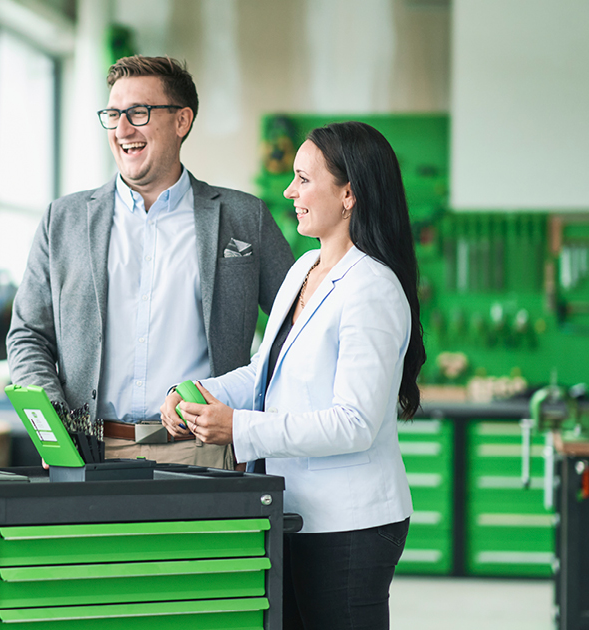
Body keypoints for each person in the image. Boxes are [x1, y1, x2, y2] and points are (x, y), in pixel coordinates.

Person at [160, 121, 426, 629]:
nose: (289, 192)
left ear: (349, 194)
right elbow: (264, 371)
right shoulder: (304, 268)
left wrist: (239, 427)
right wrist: (195, 392)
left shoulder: (372, 288)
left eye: (303, 179)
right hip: (293, 512)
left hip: (350, 525)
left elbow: (353, 423)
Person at [7, 56, 293, 469]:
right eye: (113, 115)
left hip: (204, 449)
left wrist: (244, 404)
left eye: (138, 113)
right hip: (88, 452)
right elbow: (28, 335)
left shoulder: (244, 217)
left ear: (182, 121)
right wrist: (53, 425)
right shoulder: (63, 220)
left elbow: (297, 330)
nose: (122, 129)